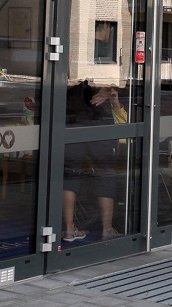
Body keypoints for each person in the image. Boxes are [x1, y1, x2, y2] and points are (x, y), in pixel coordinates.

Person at [62, 81, 126, 242]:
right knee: (106, 173)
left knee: (70, 173)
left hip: (72, 121)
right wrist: (109, 89)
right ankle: (107, 229)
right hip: (100, 121)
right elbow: (115, 79)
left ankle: (69, 228)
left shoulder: (66, 72)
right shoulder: (97, 75)